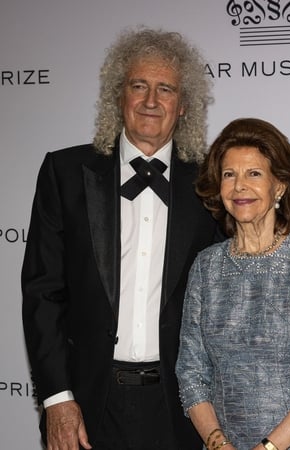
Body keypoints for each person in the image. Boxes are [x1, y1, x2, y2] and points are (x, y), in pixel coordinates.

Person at [21, 27, 218, 449]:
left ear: (183, 106)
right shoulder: (66, 174)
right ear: (118, 95)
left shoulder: (212, 185)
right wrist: (57, 398)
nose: (151, 101)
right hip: (87, 406)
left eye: (165, 89)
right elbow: (43, 293)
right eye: (138, 86)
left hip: (182, 409)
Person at [176, 117, 290, 450]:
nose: (240, 186)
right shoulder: (206, 266)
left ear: (280, 186)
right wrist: (216, 442)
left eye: (253, 174)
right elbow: (191, 372)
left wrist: (267, 448)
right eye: (229, 175)